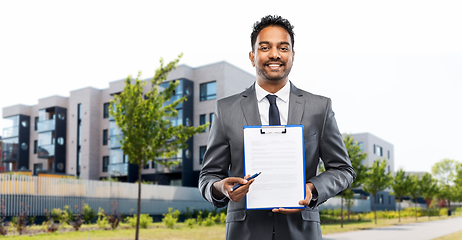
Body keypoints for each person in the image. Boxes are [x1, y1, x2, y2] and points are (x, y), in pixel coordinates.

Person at [198, 15, 356, 240]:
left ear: (292, 56)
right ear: (253, 57)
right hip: (245, 233)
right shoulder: (227, 109)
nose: (274, 54)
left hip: (302, 232)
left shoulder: (319, 107)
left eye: (283, 47)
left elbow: (343, 170)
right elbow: (208, 176)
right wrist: (221, 187)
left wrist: (312, 189)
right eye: (265, 47)